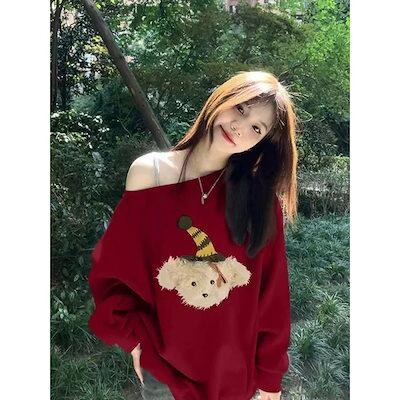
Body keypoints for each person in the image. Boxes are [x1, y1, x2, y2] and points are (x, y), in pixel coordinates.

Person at [88, 70, 298, 400]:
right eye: (240, 108)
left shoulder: (260, 201)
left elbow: (272, 296)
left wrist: (270, 377)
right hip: (164, 373)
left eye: (257, 128)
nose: (240, 127)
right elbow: (116, 268)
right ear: (222, 99)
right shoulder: (149, 174)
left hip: (230, 375)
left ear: (262, 142)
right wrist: (134, 340)